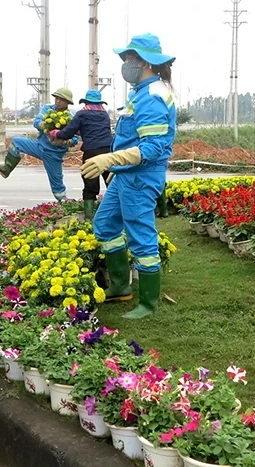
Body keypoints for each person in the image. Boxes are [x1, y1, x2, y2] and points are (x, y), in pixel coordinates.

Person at [81, 33, 176, 319]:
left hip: (140, 176)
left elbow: (152, 147)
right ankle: (121, 286)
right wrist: (116, 166)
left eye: (130, 58)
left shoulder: (153, 96)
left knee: (141, 235)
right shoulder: (141, 91)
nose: (126, 63)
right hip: (126, 174)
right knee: (105, 225)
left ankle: (148, 302)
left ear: (145, 62)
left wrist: (109, 159)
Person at [0, 88, 79, 201]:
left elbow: (76, 138)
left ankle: (64, 204)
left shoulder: (70, 118)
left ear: (68, 102)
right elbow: (36, 121)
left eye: (61, 100)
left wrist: (65, 142)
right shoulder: (47, 109)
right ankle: (7, 168)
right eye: (57, 98)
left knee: (57, 185)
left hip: (53, 154)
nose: (58, 101)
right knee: (17, 142)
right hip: (39, 146)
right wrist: (44, 125)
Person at [49, 89, 113, 220]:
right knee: (112, 184)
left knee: (90, 186)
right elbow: (96, 130)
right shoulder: (105, 115)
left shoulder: (81, 114)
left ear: (86, 102)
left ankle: (89, 218)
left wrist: (55, 133)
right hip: (108, 152)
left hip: (91, 153)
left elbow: (67, 133)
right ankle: (116, 215)